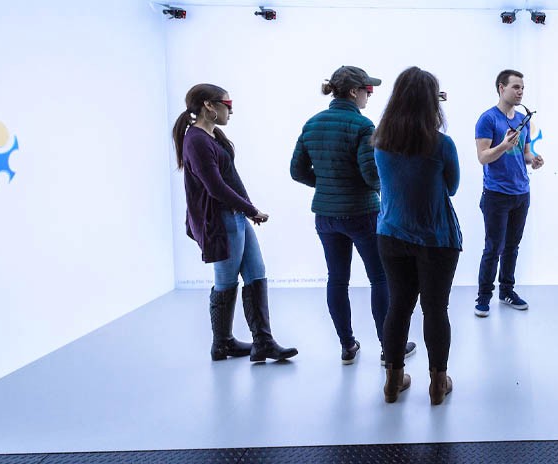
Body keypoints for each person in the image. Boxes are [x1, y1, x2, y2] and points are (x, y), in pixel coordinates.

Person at [291, 65, 415, 365]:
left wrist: (326, 185)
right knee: (380, 278)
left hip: (325, 216)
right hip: (362, 214)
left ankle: (347, 346)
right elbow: (372, 176)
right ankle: (389, 348)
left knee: (337, 280)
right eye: (367, 90)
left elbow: (297, 171)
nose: (369, 96)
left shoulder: (312, 124)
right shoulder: (362, 126)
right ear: (352, 92)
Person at [173, 83, 297, 363]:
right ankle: (223, 343)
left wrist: (246, 209)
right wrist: (251, 209)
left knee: (256, 272)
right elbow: (215, 188)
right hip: (220, 219)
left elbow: (230, 179)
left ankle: (263, 342)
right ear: (208, 105)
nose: (231, 109)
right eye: (226, 104)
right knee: (226, 281)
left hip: (235, 215)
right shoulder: (196, 140)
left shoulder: (212, 135)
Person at [373, 68, 462, 404]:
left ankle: (393, 382)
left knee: (398, 306)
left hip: (391, 235)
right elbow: (451, 188)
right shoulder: (441, 144)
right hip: (436, 238)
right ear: (432, 102)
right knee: (435, 309)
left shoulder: (380, 141)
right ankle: (438, 384)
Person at [473, 69, 544, 316]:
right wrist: (503, 145)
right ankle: (483, 297)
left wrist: (532, 159)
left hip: (521, 193)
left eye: (522, 87)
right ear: (501, 88)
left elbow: (523, 153)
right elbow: (483, 157)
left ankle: (506, 291)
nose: (520, 91)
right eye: (515, 87)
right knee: (493, 247)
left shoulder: (524, 120)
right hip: (496, 194)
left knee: (512, 246)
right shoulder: (488, 119)